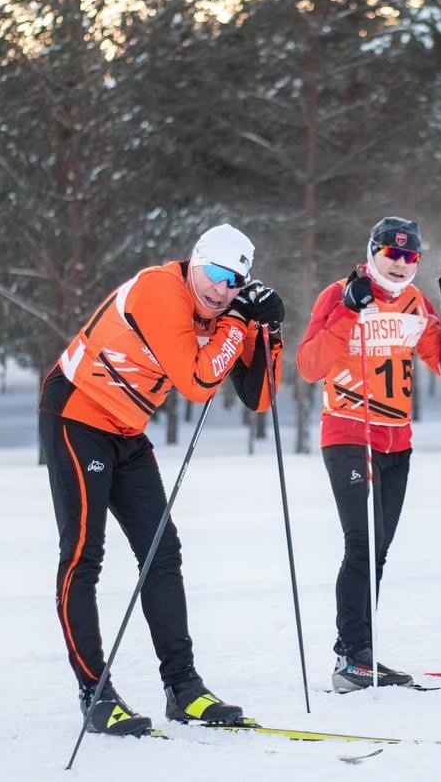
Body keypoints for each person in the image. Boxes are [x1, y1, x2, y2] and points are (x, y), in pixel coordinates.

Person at [39, 223, 285, 735]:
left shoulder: (223, 313)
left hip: (126, 429)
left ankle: (184, 688)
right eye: (215, 274)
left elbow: (259, 396)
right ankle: (95, 693)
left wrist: (269, 333)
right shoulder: (158, 288)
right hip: (77, 413)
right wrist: (238, 322)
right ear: (195, 262)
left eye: (235, 282)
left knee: (161, 551)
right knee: (84, 553)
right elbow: (196, 381)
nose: (221, 289)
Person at [296, 216, 441, 692]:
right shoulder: (339, 293)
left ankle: (362, 654)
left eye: (410, 256)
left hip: (397, 440)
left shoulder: (417, 302)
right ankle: (351, 658)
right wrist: (348, 311)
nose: (400, 263)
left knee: (379, 550)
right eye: (391, 253)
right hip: (350, 433)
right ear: (372, 251)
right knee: (363, 542)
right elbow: (309, 367)